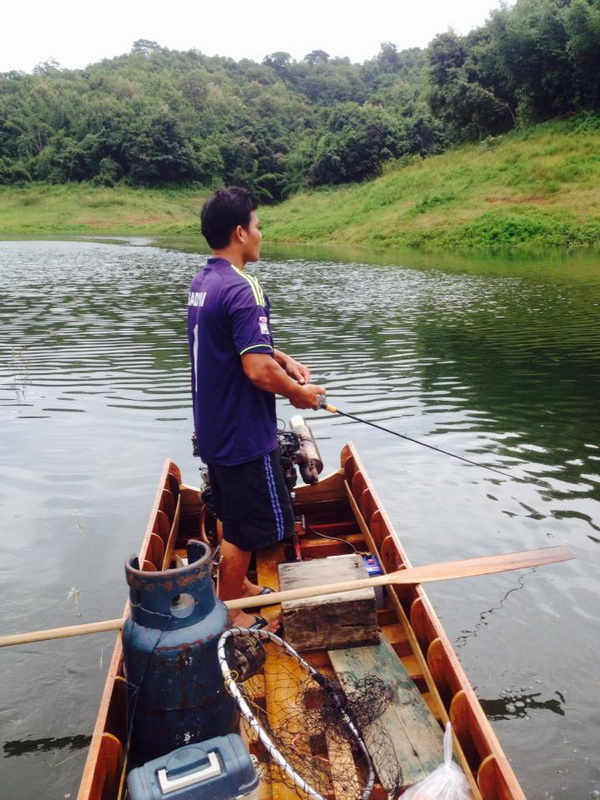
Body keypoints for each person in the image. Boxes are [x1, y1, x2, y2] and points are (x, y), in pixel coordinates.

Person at [187, 186, 325, 630]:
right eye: (258, 226)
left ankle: (238, 589)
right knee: (249, 525)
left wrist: (282, 358)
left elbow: (243, 347)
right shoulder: (244, 287)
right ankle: (228, 607)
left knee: (231, 511)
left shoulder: (205, 282)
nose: (262, 234)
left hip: (213, 428)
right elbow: (257, 371)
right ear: (240, 232)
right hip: (244, 432)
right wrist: (298, 394)